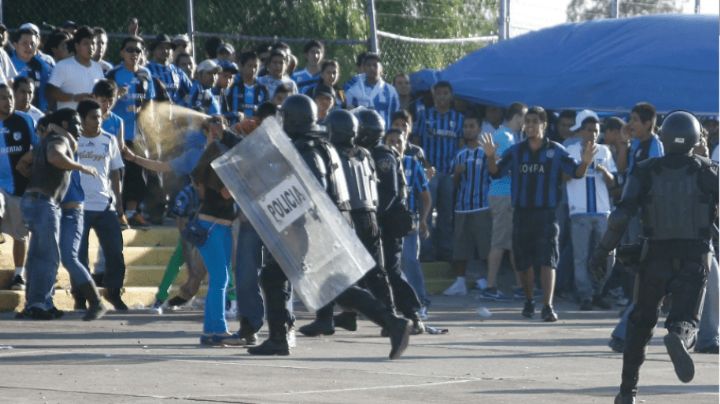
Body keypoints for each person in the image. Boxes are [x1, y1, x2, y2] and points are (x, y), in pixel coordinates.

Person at [248, 95, 411, 358]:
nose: (283, 122)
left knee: (290, 279)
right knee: (300, 282)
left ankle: (392, 322)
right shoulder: (316, 144)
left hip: (309, 229)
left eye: (286, 117)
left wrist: (297, 226)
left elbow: (314, 189)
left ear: (295, 119)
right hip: (316, 227)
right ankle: (391, 322)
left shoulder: (308, 150)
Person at [589, 111, 718, 404]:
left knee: (640, 323)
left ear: (663, 136)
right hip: (694, 256)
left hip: (654, 256)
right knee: (687, 319)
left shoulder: (646, 169)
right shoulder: (710, 172)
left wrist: (602, 251)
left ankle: (627, 392)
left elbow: (621, 216)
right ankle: (679, 336)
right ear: (697, 139)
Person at [481, 106, 595, 322]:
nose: (530, 126)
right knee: (523, 263)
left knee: (548, 260)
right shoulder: (516, 151)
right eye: (527, 121)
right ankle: (529, 300)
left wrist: (586, 162)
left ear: (544, 125)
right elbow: (496, 174)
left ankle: (547, 305)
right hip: (522, 214)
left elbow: (576, 173)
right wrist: (490, 157)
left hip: (547, 214)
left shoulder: (556, 150)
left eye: (534, 122)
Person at [17, 108, 98, 319]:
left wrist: (37, 179)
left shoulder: (47, 140)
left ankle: (34, 303)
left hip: (33, 201)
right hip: (44, 203)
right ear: (65, 124)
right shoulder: (58, 140)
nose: (80, 128)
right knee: (49, 257)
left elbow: (22, 164)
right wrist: (80, 166)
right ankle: (40, 305)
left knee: (36, 256)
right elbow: (55, 156)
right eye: (77, 124)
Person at [354, 109, 426, 334]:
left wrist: (372, 215)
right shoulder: (363, 153)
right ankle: (383, 314)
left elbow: (389, 193)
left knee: (391, 271)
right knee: (371, 272)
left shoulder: (382, 155)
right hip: (374, 221)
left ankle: (413, 314)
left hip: (388, 222)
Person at [75, 100, 128, 310]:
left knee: (115, 253)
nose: (98, 121)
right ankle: (80, 297)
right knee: (79, 256)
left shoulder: (109, 139)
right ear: (82, 119)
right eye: (93, 117)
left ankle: (113, 293)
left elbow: (116, 172)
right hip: (79, 206)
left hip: (105, 206)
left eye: (100, 117)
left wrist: (120, 204)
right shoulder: (73, 140)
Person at [565, 110, 617, 310]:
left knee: (605, 256)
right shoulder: (570, 151)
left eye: (596, 130)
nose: (593, 134)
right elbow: (565, 177)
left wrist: (604, 172)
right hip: (579, 211)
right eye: (588, 130)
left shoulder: (604, 152)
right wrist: (584, 163)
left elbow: (613, 183)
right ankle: (585, 295)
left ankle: (599, 292)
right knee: (581, 257)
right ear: (580, 132)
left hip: (602, 211)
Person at [106, 36, 156, 228]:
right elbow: (103, 99)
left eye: (138, 50)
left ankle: (132, 212)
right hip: (116, 132)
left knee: (138, 174)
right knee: (118, 172)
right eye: (129, 50)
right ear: (121, 53)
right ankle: (115, 211)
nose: (134, 54)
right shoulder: (113, 74)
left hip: (139, 133)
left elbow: (149, 101)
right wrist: (117, 95)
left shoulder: (146, 74)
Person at [480, 102, 526, 300]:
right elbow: (501, 166)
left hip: (505, 193)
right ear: (517, 116)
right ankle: (491, 286)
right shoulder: (505, 137)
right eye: (525, 118)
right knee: (500, 242)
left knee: (512, 242)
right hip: (503, 193)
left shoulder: (507, 136)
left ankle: (520, 285)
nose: (527, 123)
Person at [413, 80, 463, 262]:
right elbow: (416, 142)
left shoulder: (458, 119)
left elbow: (461, 145)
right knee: (426, 211)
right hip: (429, 173)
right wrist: (425, 165)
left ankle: (446, 252)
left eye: (445, 93)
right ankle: (426, 252)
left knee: (447, 214)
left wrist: (455, 169)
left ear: (451, 96)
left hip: (449, 174)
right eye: (439, 93)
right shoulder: (425, 116)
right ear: (434, 95)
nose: (442, 97)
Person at [385, 128, 432, 318]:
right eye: (391, 141)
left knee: (411, 261)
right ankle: (390, 303)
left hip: (408, 223)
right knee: (389, 265)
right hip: (387, 223)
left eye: (399, 141)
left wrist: (423, 220)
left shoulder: (413, 163)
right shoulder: (380, 164)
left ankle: (420, 301)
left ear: (406, 143)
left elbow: (426, 196)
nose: (395, 144)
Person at [444, 115, 492, 297]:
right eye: (465, 126)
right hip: (462, 206)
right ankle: (460, 282)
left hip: (482, 206)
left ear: (479, 129)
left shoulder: (486, 153)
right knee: (461, 246)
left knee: (485, 246)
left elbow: (493, 176)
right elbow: (453, 184)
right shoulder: (460, 155)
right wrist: (456, 174)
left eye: (472, 126)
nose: (468, 130)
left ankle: (488, 281)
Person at [0, 85, 37, 291]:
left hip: (20, 186)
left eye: (10, 97)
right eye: (3, 98)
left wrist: (27, 160)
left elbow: (38, 146)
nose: (8, 101)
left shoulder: (24, 120)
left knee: (20, 234)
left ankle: (18, 275)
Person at [47, 26, 105, 111]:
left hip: (91, 121)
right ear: (77, 46)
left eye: (93, 43)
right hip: (68, 119)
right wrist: (74, 97)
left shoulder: (98, 67)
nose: (91, 47)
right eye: (86, 43)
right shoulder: (63, 65)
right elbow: (51, 91)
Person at [344, 53, 399, 129]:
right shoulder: (353, 88)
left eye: (375, 65)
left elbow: (395, 116)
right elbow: (347, 108)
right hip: (360, 135)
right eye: (368, 65)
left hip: (384, 136)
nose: (371, 68)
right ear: (364, 68)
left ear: (381, 68)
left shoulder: (391, 91)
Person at [10, 27, 53, 111]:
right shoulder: (7, 63)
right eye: (24, 43)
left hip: (35, 113)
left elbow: (45, 92)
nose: (29, 47)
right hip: (10, 113)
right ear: (15, 45)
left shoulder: (42, 65)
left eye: (32, 44)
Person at [146, 34, 192, 104]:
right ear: (153, 50)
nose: (165, 51)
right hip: (154, 111)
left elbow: (192, 91)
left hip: (176, 112)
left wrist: (182, 104)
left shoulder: (177, 71)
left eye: (168, 48)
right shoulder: (147, 70)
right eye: (161, 48)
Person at [226, 51, 269, 121]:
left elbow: (266, 112)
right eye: (249, 66)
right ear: (241, 66)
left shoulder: (263, 89)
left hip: (256, 129)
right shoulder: (232, 87)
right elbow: (225, 110)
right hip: (235, 129)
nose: (253, 70)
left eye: (255, 66)